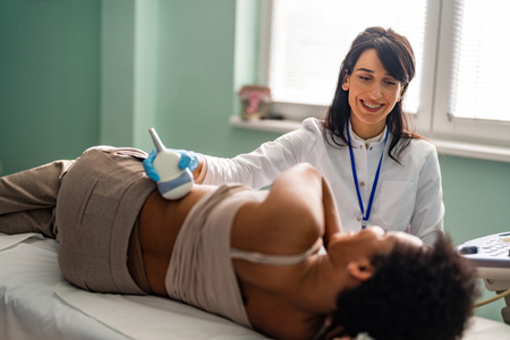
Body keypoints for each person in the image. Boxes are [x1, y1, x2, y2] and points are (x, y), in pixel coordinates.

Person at [0, 146, 478, 340]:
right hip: (93, 267)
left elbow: (309, 173)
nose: (369, 228)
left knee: (66, 180)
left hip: (103, 193)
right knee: (49, 220)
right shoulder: (301, 326)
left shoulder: (296, 222)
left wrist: (332, 235)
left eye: (380, 235)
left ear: (362, 271)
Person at [144, 26, 444, 247]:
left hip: (389, 289)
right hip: (322, 279)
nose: (376, 93)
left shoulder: (420, 156)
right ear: (346, 79)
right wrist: (192, 163)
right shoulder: (313, 138)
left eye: (389, 82)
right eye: (365, 77)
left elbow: (430, 243)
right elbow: (246, 171)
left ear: (401, 90)